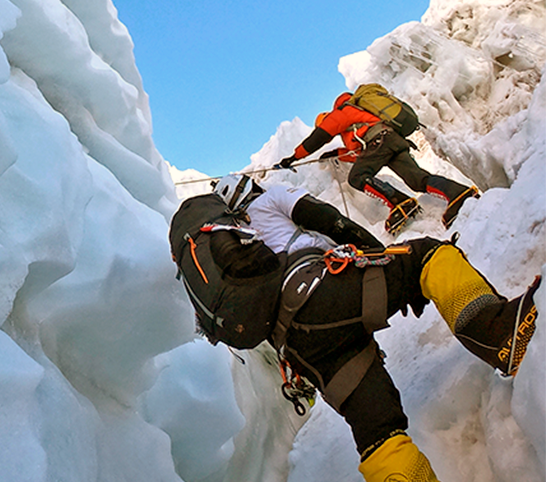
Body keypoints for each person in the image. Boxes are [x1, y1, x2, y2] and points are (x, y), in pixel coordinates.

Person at [212, 174, 539, 482]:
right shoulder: (273, 197)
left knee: (378, 432)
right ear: (252, 185)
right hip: (323, 291)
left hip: (300, 346)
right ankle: (498, 333)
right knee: (426, 255)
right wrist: (379, 256)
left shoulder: (234, 250)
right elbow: (329, 220)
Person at [277, 90, 479, 232]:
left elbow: (318, 138)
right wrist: (337, 153)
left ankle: (401, 204)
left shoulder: (340, 114)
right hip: (391, 140)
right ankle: (458, 193)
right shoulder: (359, 120)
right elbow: (361, 155)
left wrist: (293, 158)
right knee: (418, 179)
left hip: (378, 142)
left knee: (357, 177)